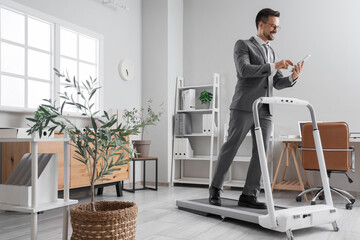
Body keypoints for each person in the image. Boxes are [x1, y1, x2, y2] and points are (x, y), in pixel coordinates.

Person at [209, 8, 304, 208]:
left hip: (266, 109)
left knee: (262, 152)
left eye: (278, 27)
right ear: (261, 25)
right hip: (244, 107)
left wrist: (293, 77)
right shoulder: (243, 45)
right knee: (231, 148)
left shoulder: (271, 52)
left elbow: (277, 82)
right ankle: (215, 188)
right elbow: (244, 70)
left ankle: (249, 195)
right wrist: (274, 66)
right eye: (272, 26)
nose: (276, 31)